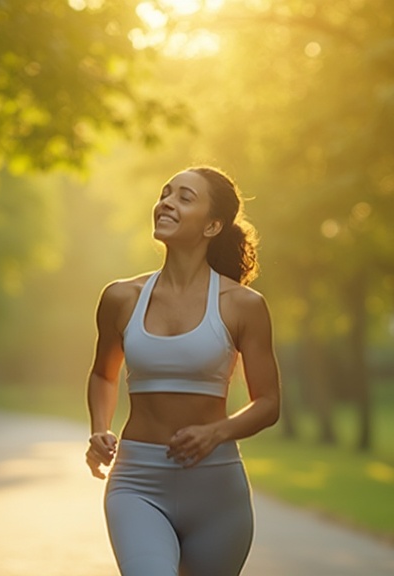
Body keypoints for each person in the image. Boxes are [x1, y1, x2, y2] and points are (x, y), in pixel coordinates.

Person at [85, 166, 282, 576]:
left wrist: (217, 432)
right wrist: (99, 427)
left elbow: (268, 403)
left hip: (216, 492)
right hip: (137, 483)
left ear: (212, 226)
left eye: (184, 198)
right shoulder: (121, 297)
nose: (167, 203)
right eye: (166, 193)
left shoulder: (242, 305)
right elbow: (104, 375)